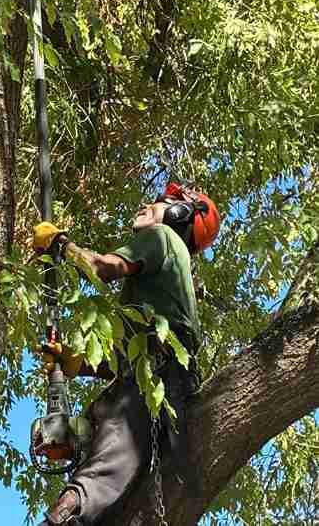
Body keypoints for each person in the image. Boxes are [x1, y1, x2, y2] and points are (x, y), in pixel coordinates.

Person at [32, 183, 220, 526]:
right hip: (147, 383)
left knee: (104, 473)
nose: (148, 204)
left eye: (163, 203)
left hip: (156, 383)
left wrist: (61, 245)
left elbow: (105, 267)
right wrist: (76, 363)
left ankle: (60, 519)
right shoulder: (160, 290)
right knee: (93, 442)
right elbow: (126, 360)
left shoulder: (163, 237)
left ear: (181, 215)